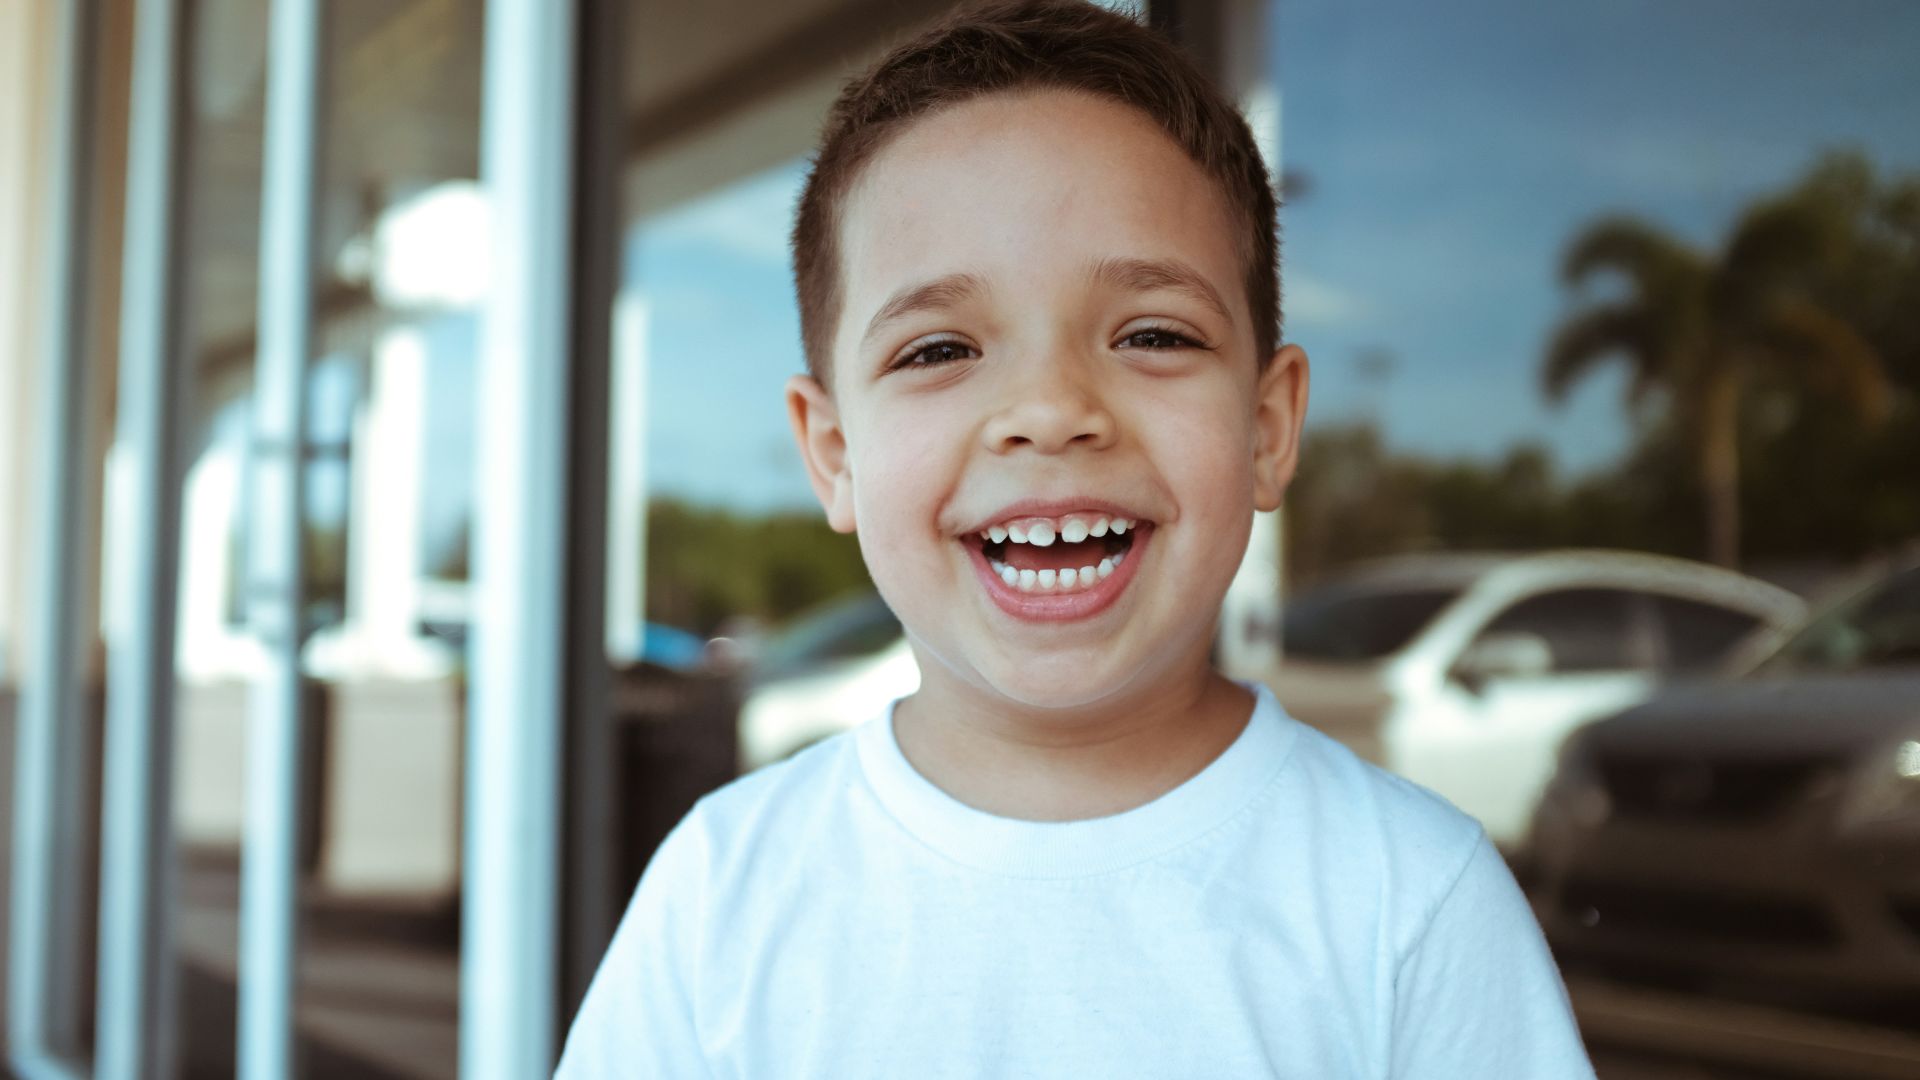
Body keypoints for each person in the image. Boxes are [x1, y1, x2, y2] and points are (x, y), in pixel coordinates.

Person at [558, 1, 1595, 1075]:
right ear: (834, 456)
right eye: (940, 349)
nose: (1050, 408)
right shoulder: (724, 890)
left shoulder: (1408, 899)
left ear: (1268, 429)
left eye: (1152, 334)